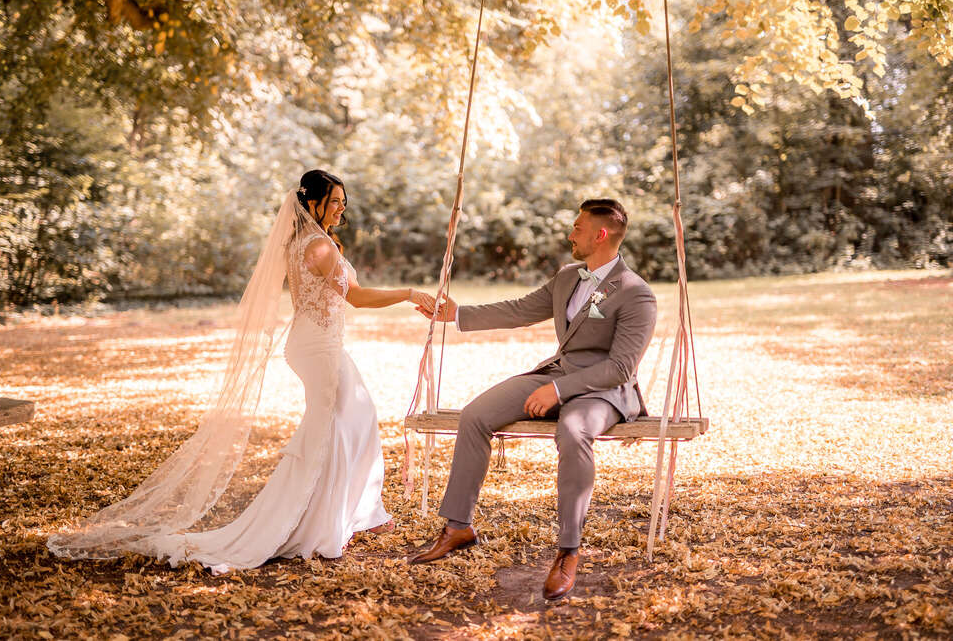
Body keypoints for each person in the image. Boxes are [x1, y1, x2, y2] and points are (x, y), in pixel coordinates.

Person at [48, 169, 435, 572]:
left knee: (352, 419)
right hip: (318, 347)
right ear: (314, 203)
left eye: (343, 201)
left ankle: (352, 514)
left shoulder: (305, 241)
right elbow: (355, 297)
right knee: (335, 426)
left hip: (316, 343)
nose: (341, 208)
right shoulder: (318, 246)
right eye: (335, 201)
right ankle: (317, 522)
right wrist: (410, 293)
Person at [410, 199, 657, 600]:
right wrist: (457, 316)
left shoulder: (636, 294)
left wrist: (558, 391)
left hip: (603, 392)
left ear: (600, 235)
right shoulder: (567, 277)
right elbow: (521, 309)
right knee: (475, 415)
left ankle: (568, 551)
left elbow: (621, 368)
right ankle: (458, 527)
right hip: (557, 373)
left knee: (573, 430)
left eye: (577, 228)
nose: (569, 234)